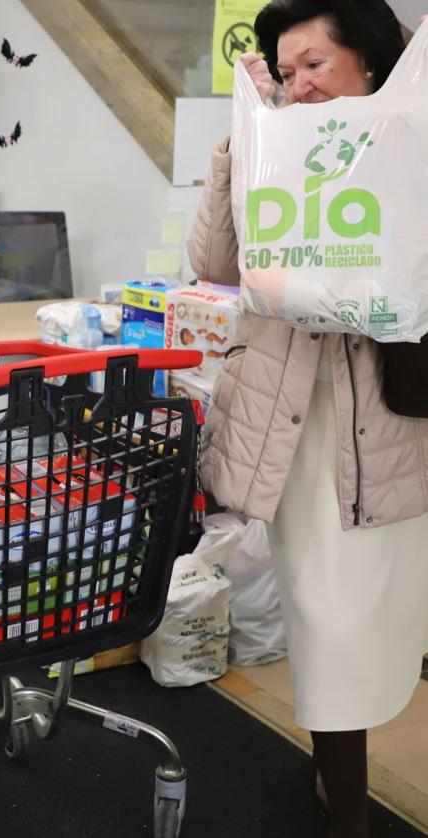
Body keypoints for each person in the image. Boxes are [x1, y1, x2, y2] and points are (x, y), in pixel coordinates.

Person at [187, 2, 428, 836]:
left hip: (389, 424)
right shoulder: (270, 151)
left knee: (379, 613)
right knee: (323, 618)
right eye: (286, 73)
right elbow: (215, 264)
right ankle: (346, 801)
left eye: (315, 65)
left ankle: (342, 782)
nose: (300, 86)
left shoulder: (412, 146)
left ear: (371, 64)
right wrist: (242, 142)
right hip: (294, 426)